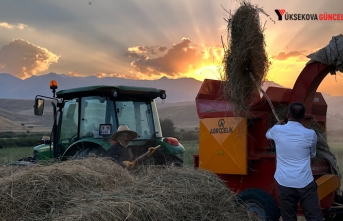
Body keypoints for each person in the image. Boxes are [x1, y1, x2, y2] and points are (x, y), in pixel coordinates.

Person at [266, 102, 323, 221]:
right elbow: (312, 154)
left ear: (287, 115)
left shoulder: (277, 130)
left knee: (289, 218)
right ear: (303, 117)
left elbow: (268, 135)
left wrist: (276, 125)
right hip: (305, 183)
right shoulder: (311, 134)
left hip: (284, 182)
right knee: (314, 217)